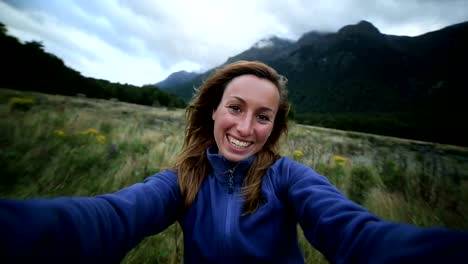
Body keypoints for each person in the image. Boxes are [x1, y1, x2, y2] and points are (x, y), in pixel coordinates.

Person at [0, 60, 467, 263]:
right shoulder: (180, 180)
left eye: (263, 116)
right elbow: (111, 216)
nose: (246, 128)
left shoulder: (289, 178)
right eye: (236, 108)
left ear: (275, 127)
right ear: (214, 110)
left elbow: (354, 233)